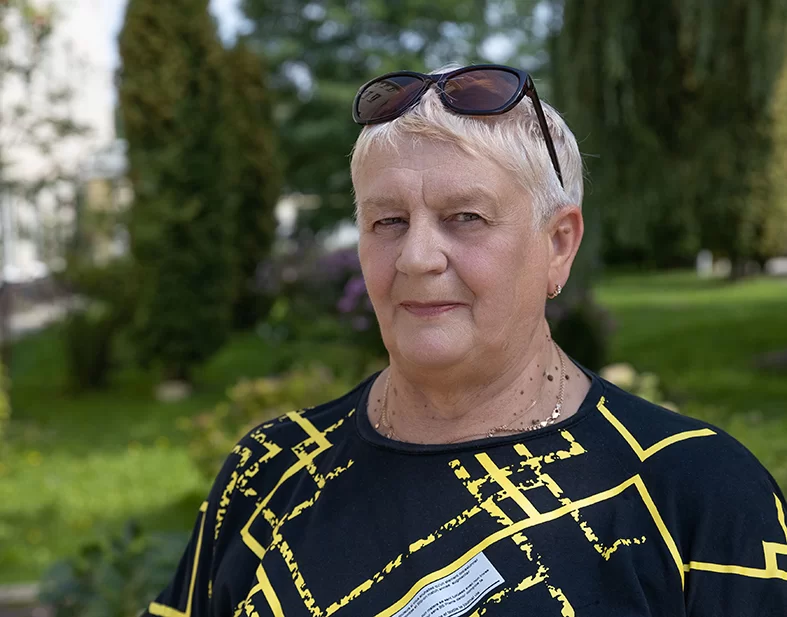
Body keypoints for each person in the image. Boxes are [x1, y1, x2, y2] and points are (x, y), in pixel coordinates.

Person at [143, 65, 787, 617]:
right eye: (388, 221)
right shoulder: (270, 472)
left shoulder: (699, 495)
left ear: (559, 244)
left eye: (465, 218)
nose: (417, 257)